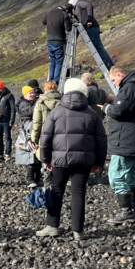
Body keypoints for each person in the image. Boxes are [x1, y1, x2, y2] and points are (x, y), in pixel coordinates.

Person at [36, 78, 107, 240]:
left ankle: (52, 226)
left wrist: (45, 159)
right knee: (78, 193)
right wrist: (99, 162)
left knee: (57, 190)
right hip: (84, 160)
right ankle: (78, 230)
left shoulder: (56, 112)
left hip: (59, 159)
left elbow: (45, 138)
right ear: (85, 93)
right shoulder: (92, 114)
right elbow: (102, 140)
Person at [104, 67, 135, 223]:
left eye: (114, 80)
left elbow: (119, 110)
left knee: (116, 175)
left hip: (126, 141)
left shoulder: (130, 88)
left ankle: (127, 212)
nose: (115, 84)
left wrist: (106, 108)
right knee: (133, 175)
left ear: (119, 75)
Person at [68, 0, 114, 69]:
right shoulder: (77, 9)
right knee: (97, 49)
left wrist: (89, 19)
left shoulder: (79, 4)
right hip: (88, 29)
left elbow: (88, 5)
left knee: (98, 49)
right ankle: (107, 68)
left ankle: (110, 68)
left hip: (91, 28)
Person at [14, 86, 41, 187]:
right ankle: (30, 180)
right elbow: (31, 112)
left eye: (33, 93)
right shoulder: (23, 104)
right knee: (29, 155)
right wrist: (40, 102)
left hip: (34, 129)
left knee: (37, 154)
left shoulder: (33, 102)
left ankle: (38, 178)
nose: (32, 95)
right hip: (26, 131)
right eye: (30, 93)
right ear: (25, 95)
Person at [42, 5, 73, 81]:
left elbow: (44, 22)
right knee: (59, 61)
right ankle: (56, 81)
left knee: (52, 61)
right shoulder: (64, 14)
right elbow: (68, 28)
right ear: (67, 11)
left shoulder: (49, 12)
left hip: (49, 41)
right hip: (59, 41)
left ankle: (51, 80)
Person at [0, 80, 17, 160]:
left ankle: (8, 153)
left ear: (2, 88)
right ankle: (0, 154)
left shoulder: (9, 96)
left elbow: (13, 109)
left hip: (6, 120)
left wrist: (12, 120)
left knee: (8, 137)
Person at [31, 80, 62, 149]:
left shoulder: (40, 102)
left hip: (44, 136)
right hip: (59, 137)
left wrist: (34, 140)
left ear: (45, 89)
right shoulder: (63, 101)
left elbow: (37, 123)